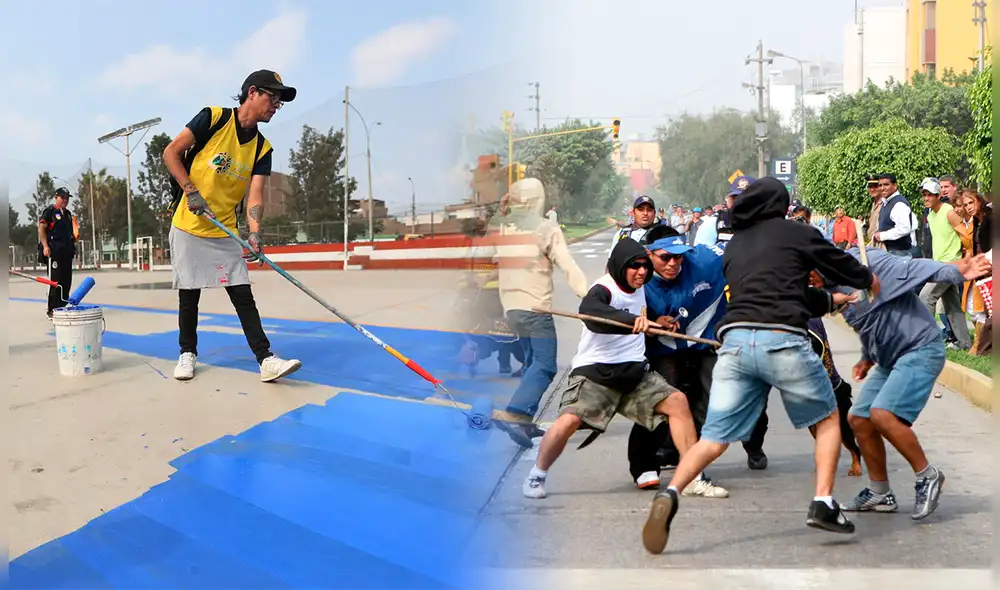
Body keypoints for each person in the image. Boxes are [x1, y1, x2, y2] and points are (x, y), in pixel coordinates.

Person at [640, 178, 877, 555]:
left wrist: (829, 301)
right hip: (781, 339)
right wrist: (867, 279)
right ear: (779, 204)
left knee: (713, 438)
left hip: (733, 344)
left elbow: (782, 293)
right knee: (828, 418)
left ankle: (671, 492)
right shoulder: (795, 232)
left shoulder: (736, 247)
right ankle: (824, 503)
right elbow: (836, 261)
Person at [522, 239, 704, 500]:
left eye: (644, 266)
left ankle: (691, 476)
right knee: (569, 420)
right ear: (620, 266)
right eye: (634, 267)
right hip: (596, 373)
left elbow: (641, 310)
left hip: (634, 373)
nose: (641, 272)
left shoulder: (639, 287)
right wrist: (632, 322)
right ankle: (537, 474)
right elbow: (591, 312)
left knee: (677, 402)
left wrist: (656, 320)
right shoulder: (603, 289)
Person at [162, 69, 303, 383]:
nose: (276, 105)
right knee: (189, 292)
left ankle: (266, 359)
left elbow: (254, 195)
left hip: (224, 228)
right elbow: (170, 153)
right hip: (189, 223)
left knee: (242, 293)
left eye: (280, 101)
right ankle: (187, 353)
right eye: (272, 96)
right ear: (252, 93)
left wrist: (254, 231)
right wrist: (190, 191)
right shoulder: (213, 118)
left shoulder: (261, 148)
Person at [834, 248, 990, 519]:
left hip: (920, 348)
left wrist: (959, 271)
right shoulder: (825, 286)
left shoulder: (867, 261)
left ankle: (928, 475)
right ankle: (880, 493)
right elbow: (872, 321)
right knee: (859, 418)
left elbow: (918, 267)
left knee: (882, 414)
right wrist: (867, 357)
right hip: (890, 358)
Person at [628, 229, 767, 488]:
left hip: (708, 344)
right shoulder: (637, 274)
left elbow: (748, 251)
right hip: (664, 349)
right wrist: (651, 321)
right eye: (665, 257)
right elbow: (613, 303)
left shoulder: (705, 258)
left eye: (678, 258)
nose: (673, 264)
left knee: (721, 400)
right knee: (661, 401)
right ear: (648, 255)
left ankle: (707, 456)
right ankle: (646, 464)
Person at [488, 178, 589, 447]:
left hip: (512, 309)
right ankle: (516, 413)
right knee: (545, 366)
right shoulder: (545, 228)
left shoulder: (504, 226)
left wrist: (502, 210)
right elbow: (566, 263)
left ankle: (526, 419)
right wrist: (587, 295)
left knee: (532, 363)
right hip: (536, 309)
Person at [806, 272, 863, 476]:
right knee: (813, 425)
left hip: (828, 383)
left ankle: (856, 455)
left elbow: (819, 348)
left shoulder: (809, 313)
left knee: (843, 430)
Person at [918, 178, 971, 351]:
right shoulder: (931, 214)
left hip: (949, 265)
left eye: (929, 195)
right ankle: (964, 344)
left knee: (926, 297)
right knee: (952, 306)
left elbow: (964, 233)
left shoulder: (948, 211)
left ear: (938, 195)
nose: (926, 198)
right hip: (938, 264)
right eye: (924, 195)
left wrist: (966, 254)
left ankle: (928, 342)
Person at [38, 187, 77, 319]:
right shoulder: (49, 212)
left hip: (66, 252)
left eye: (67, 198)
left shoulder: (67, 215)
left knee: (66, 281)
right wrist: (45, 246)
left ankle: (62, 306)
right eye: (62, 197)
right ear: (56, 197)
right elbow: (42, 229)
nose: (65, 200)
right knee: (56, 282)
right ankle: (52, 309)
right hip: (54, 253)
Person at [872, 173, 918, 258]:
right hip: (891, 252)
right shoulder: (886, 203)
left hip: (900, 254)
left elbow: (904, 229)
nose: (882, 188)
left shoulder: (899, 204)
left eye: (886, 184)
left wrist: (882, 235)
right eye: (880, 185)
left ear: (895, 185)